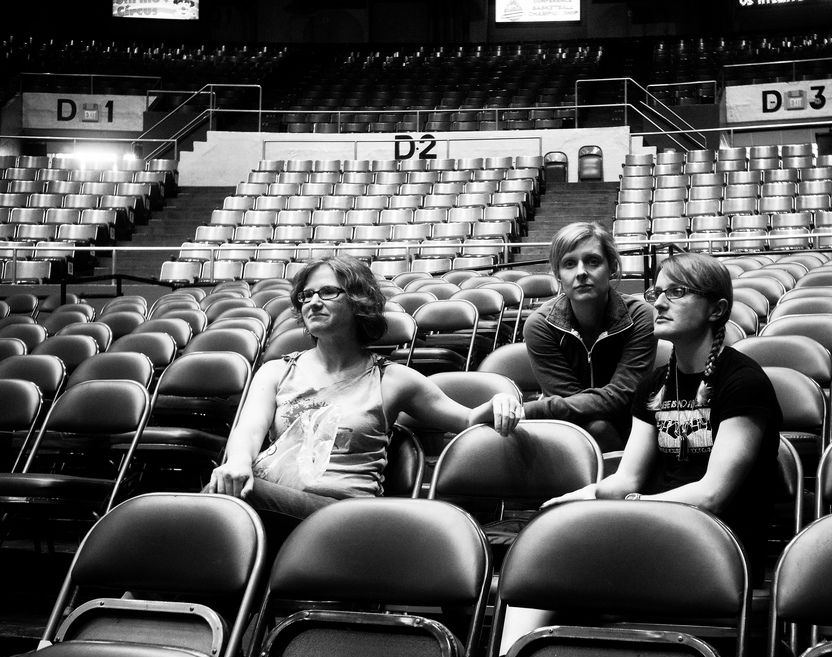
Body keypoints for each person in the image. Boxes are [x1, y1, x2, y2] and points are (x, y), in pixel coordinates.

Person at [206, 255, 523, 520]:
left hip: (347, 515)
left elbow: (467, 419)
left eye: (328, 292)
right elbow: (249, 431)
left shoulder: (393, 379)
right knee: (224, 491)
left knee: (231, 498)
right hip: (273, 498)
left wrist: (499, 403)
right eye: (306, 295)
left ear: (359, 301)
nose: (313, 302)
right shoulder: (275, 371)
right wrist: (238, 462)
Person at [544, 252, 782, 579]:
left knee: (578, 568)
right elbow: (627, 479)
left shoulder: (743, 383)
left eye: (677, 292)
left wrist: (636, 507)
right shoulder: (653, 385)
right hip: (657, 530)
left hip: (720, 545)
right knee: (555, 546)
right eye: (656, 293)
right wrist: (583, 497)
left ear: (716, 309)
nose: (658, 303)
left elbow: (712, 494)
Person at [522, 222, 657, 451]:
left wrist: (528, 410)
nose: (581, 272)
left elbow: (623, 397)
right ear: (558, 274)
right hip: (570, 437)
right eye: (569, 264)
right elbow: (570, 406)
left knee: (600, 429)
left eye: (593, 261)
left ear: (612, 267)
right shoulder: (540, 325)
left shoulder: (641, 316)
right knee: (597, 428)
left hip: (634, 433)